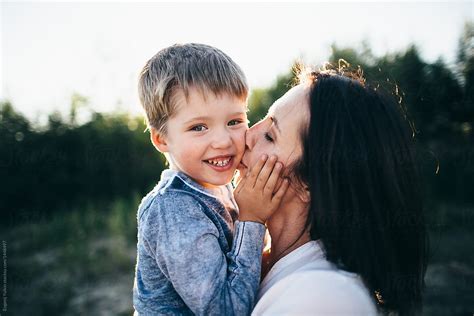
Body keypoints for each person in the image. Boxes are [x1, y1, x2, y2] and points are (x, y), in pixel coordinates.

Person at [235, 66, 427, 315]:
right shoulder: (253, 256)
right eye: (263, 119)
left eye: (270, 136)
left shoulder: (324, 298)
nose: (247, 136)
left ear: (310, 182)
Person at [132, 43, 289, 315]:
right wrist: (251, 219)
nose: (223, 141)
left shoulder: (219, 188)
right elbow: (226, 310)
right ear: (161, 139)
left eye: (234, 121)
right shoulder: (173, 209)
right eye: (199, 127)